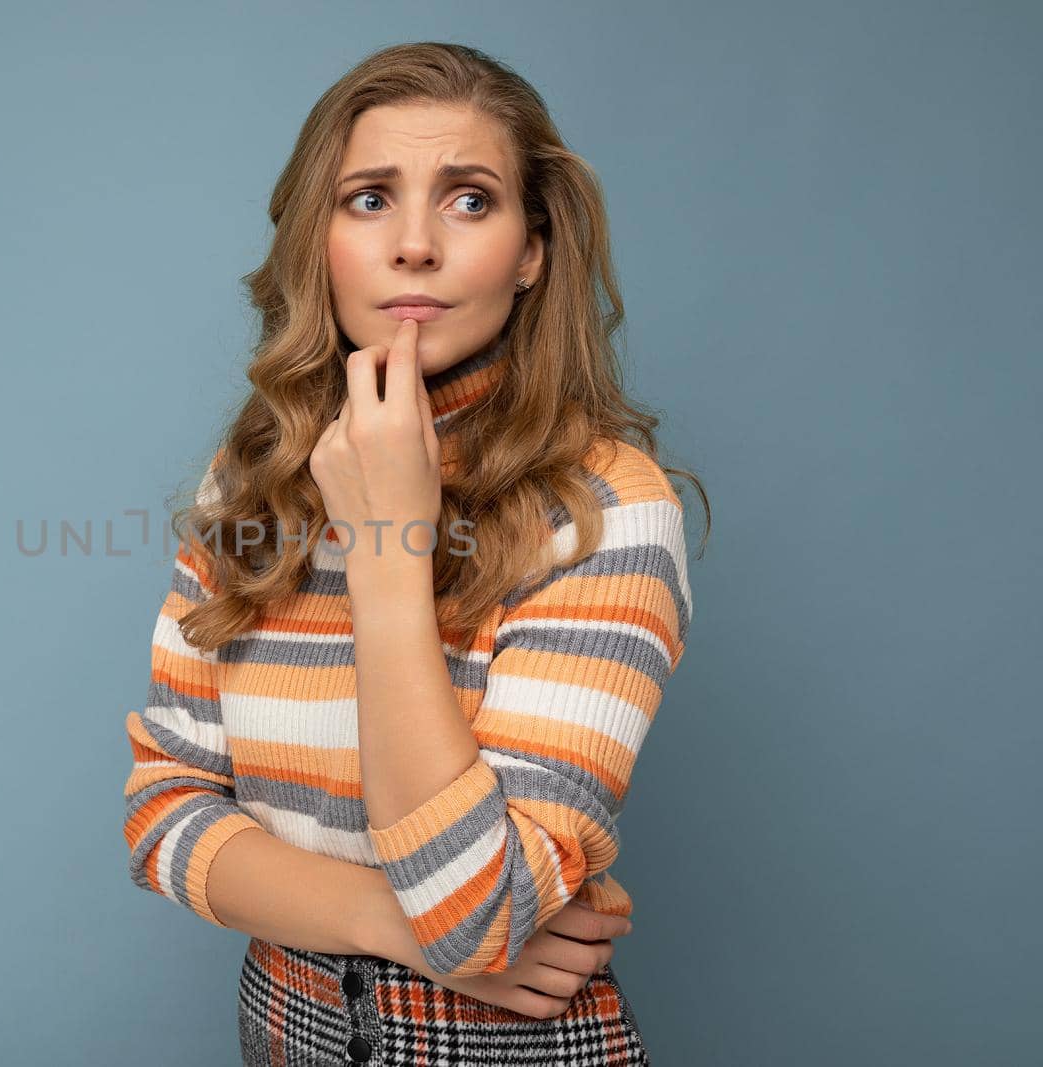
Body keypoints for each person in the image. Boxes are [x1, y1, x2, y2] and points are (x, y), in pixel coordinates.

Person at [121, 41, 708, 1066]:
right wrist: (393, 927)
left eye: (470, 200)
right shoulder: (245, 480)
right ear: (319, 237)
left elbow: (475, 914)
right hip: (283, 1030)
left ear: (533, 249)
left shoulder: (605, 507)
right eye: (368, 199)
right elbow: (163, 815)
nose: (415, 246)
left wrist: (390, 547)